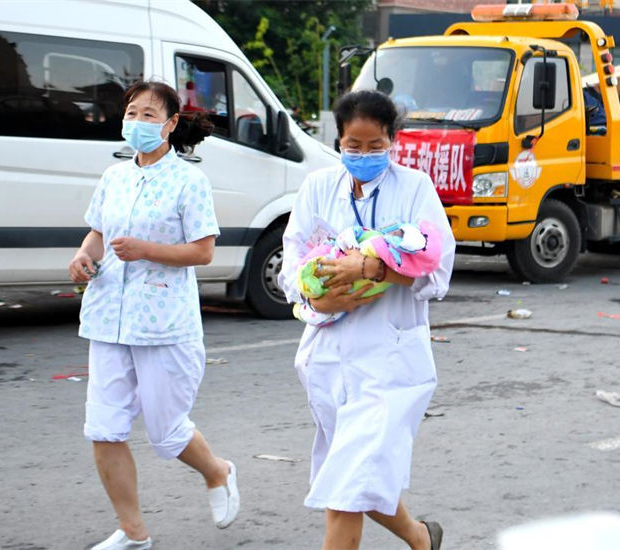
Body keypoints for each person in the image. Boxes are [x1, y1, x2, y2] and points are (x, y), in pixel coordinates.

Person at [278, 90, 455, 550]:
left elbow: (438, 272)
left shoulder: (414, 188)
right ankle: (421, 538)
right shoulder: (318, 188)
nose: (363, 154)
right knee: (357, 479)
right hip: (328, 357)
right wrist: (318, 298)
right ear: (337, 140)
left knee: (347, 488)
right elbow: (290, 263)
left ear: (392, 141)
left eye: (375, 146)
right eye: (352, 146)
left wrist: (378, 267)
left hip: (391, 365)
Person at [68, 81, 239, 550]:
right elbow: (97, 234)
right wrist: (84, 256)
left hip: (162, 321)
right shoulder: (113, 177)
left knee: (166, 433)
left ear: (169, 125)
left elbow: (203, 252)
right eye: (132, 112)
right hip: (107, 316)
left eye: (149, 115)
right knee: (103, 428)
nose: (137, 122)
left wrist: (148, 251)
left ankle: (218, 471)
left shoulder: (189, 181)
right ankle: (133, 532)